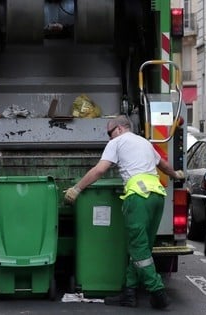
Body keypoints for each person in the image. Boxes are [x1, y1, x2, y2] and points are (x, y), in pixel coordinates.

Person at [64, 115, 185, 310]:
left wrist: (77, 189)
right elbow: (162, 164)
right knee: (141, 248)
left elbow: (99, 170)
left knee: (139, 249)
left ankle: (157, 292)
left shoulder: (117, 142)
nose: (109, 138)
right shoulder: (144, 142)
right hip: (157, 197)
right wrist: (175, 174)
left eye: (110, 134)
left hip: (138, 198)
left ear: (119, 129)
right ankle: (129, 293)